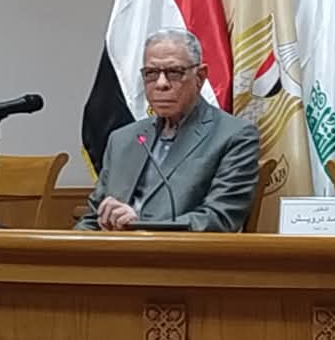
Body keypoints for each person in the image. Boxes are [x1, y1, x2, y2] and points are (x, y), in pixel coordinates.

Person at [75, 28, 259, 232]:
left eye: (174, 72)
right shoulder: (123, 139)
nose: (161, 84)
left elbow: (219, 219)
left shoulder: (234, 135)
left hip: (178, 250)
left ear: (200, 77)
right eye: (151, 73)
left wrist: (138, 225)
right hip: (113, 249)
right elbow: (92, 219)